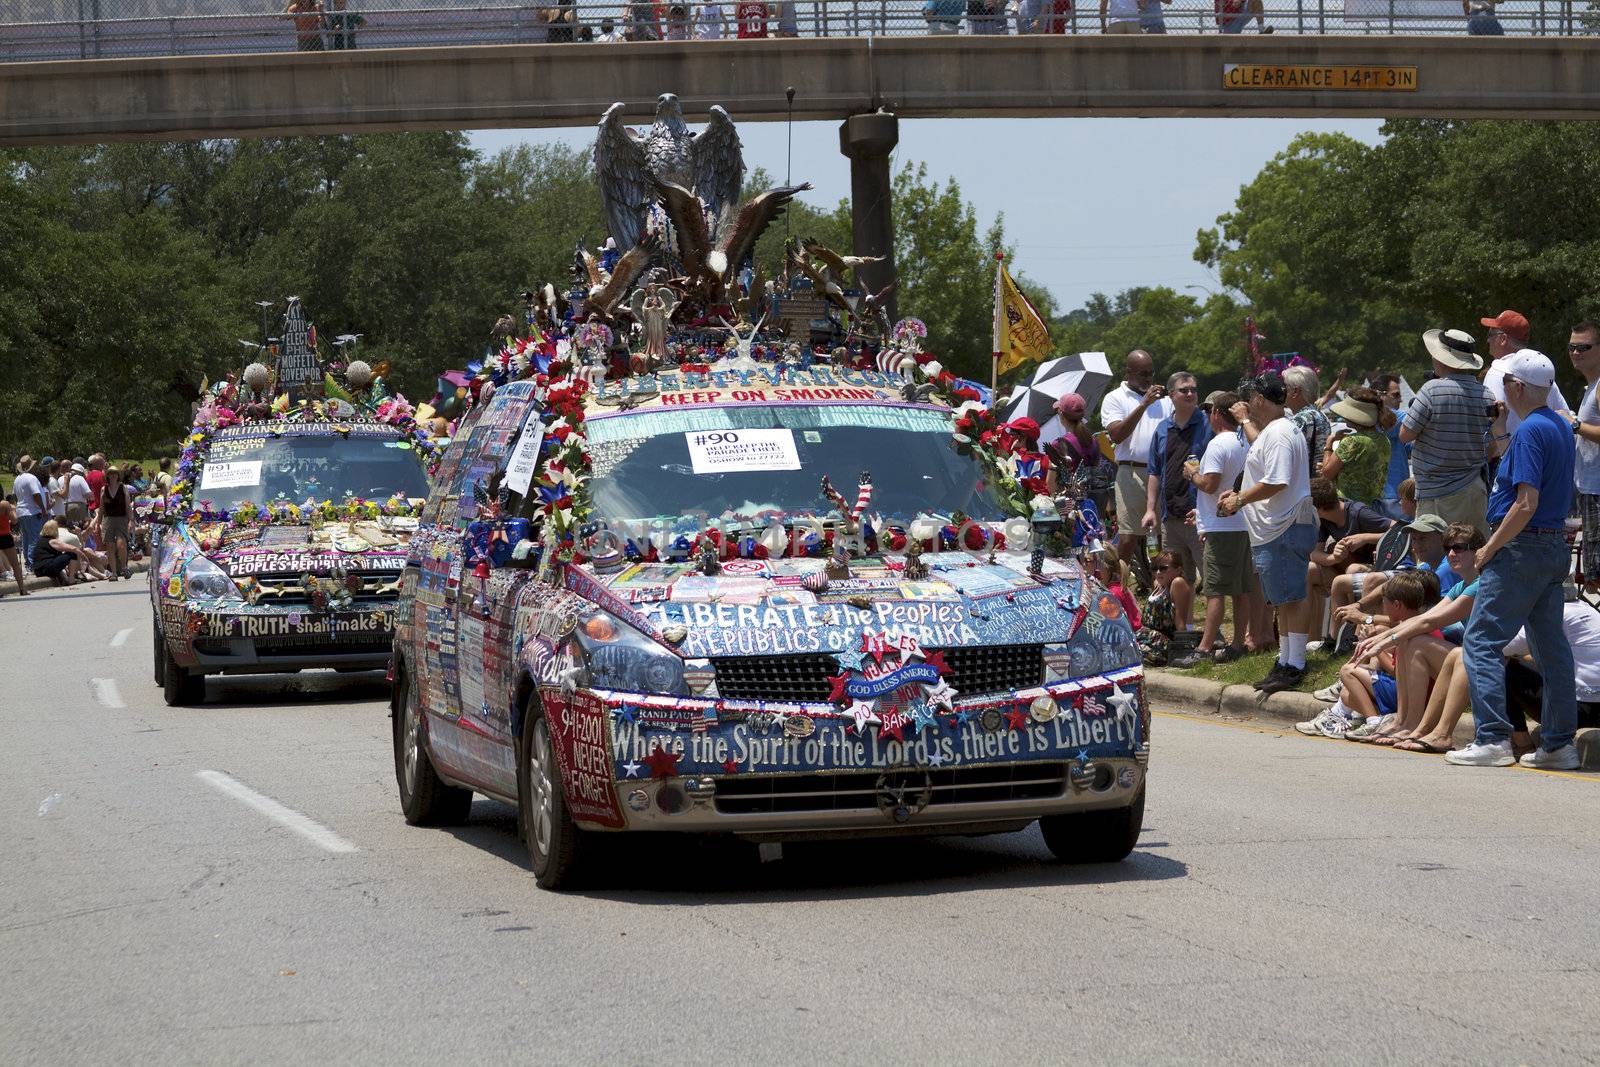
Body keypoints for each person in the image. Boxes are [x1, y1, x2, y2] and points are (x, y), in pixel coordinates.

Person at [1449, 350, 1580, 770]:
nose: (1501, 388)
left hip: (1521, 548)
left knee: (1481, 640)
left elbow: (1525, 504)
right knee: (1551, 649)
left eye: (1505, 382)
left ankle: (1492, 739)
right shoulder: (1558, 426)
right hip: (1550, 546)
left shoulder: (1531, 432)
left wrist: (1488, 549)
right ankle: (1559, 745)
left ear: (1517, 387)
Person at [1218, 372, 1317, 694]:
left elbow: (1278, 481)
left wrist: (1240, 499)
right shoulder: (1276, 431)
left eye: (1250, 397)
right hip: (1278, 528)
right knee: (1285, 599)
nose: (1246, 403)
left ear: (1260, 399)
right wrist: (1240, 494)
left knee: (1292, 598)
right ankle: (1286, 661)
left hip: (1283, 526)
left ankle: (1296, 664)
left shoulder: (1279, 433)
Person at [1342, 524, 1484, 745]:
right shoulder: (1461, 587)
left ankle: (1418, 726)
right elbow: (1418, 619)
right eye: (1448, 548)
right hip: (1473, 656)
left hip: (1492, 659)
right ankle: (1404, 722)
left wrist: (1381, 643)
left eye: (1459, 547)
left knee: (1416, 641)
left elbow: (1430, 620)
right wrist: (1378, 639)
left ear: (1478, 550)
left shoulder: (1480, 584)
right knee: (1410, 639)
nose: (1452, 554)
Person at [1301, 570, 1439, 739]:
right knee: (1347, 695)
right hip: (1405, 692)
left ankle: (1373, 721)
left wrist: (1376, 646)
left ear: (1397, 605)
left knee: (1348, 671)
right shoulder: (1409, 625)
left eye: (1384, 601)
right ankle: (1348, 716)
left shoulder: (1410, 632)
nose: (1382, 607)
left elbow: (1395, 672)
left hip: (1412, 697)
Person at [1191, 390, 1266, 662]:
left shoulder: (1217, 444)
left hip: (1221, 526)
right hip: (1243, 523)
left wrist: (1193, 475)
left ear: (1216, 414)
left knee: (1214, 590)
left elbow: (1210, 484)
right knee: (1241, 588)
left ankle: (1204, 647)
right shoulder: (1247, 440)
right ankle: (1237, 644)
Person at [1402, 329, 1493, 536]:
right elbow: (1491, 446)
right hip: (1475, 488)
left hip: (1438, 493)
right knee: (1473, 557)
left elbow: (1405, 434)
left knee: (1434, 559)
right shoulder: (1487, 394)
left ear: (1441, 359)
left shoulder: (1431, 389)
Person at [1099, 348, 1169, 591]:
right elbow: (1117, 435)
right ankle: (1116, 589)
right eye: (1142, 374)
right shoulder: (1115, 398)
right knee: (1128, 537)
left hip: (1160, 472)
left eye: (1151, 373)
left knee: (1160, 537)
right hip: (1131, 471)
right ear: (1128, 372)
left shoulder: (1165, 402)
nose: (1148, 379)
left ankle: (1158, 592)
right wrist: (1143, 404)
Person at [1306, 476, 1391, 648]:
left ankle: (1349, 636)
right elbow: (1315, 553)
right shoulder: (1324, 520)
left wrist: (1365, 538)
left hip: (1372, 570)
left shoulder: (1359, 513)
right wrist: (1333, 558)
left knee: (1352, 570)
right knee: (1309, 570)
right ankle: (1312, 639)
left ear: (1318, 508)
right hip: (1344, 567)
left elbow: (1399, 532)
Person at [1144, 372, 1209, 589]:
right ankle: (1184, 624)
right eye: (1184, 390)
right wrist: (1150, 509)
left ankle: (1213, 625)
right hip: (1170, 517)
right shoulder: (1162, 429)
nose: (1190, 393)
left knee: (1209, 578)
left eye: (1193, 389)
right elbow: (1154, 472)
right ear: (1171, 395)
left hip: (1199, 516)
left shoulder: (1208, 425)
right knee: (1177, 580)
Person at [1481, 310, 1569, 435]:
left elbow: (1489, 422)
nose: (1488, 340)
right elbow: (1565, 418)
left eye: (1490, 334)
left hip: (1509, 452)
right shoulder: (1542, 373)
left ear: (1503, 339)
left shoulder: (1497, 371)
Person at [1563, 320, 1600, 590]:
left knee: (1596, 576)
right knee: (1592, 576)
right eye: (1572, 347)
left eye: (1583, 347)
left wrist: (1573, 424)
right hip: (1589, 489)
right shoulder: (1592, 387)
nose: (1576, 353)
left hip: (1598, 491)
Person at [1322, 389, 1391, 506]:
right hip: (1373, 506)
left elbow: (1326, 474)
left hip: (1348, 507)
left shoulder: (1352, 441)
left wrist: (1329, 443)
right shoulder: (1384, 440)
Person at [1137, 551, 1192, 665]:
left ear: (1178, 570)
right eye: (1155, 568)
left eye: (1163, 568)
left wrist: (1184, 648)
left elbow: (1181, 619)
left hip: (1163, 643)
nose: (1158, 572)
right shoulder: (1159, 586)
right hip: (1147, 639)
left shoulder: (1177, 583)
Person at [1282, 365, 1328, 478]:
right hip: (1317, 485)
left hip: (1303, 487)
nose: (1281, 392)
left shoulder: (1301, 419)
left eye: (1284, 388)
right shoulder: (1321, 415)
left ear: (1295, 391)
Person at [96, 465, 132, 581]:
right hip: (108, 519)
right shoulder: (104, 489)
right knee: (110, 545)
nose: (113, 476)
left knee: (121, 544)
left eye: (115, 474)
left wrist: (131, 520)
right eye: (111, 474)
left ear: (118, 475)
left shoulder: (123, 488)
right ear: (108, 476)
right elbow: (101, 507)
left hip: (121, 518)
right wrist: (98, 522)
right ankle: (114, 573)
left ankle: (124, 567)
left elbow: (127, 505)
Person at [12, 456, 48, 569]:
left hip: (22, 512)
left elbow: (14, 496)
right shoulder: (32, 478)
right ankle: (32, 564)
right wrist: (43, 508)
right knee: (34, 539)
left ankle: (28, 563)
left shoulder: (17, 479)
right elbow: (36, 494)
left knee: (26, 539)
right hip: (32, 512)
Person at [30, 520, 86, 586]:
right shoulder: (52, 541)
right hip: (46, 568)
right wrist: (84, 556)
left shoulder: (41, 541)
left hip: (39, 570)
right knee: (72, 554)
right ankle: (71, 579)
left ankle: (66, 580)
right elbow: (73, 548)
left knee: (62, 557)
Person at [0, 498, 29, 596]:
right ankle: (22, 589)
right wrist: (12, 510)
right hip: (4, 536)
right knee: (15, 564)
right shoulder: (4, 504)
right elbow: (14, 520)